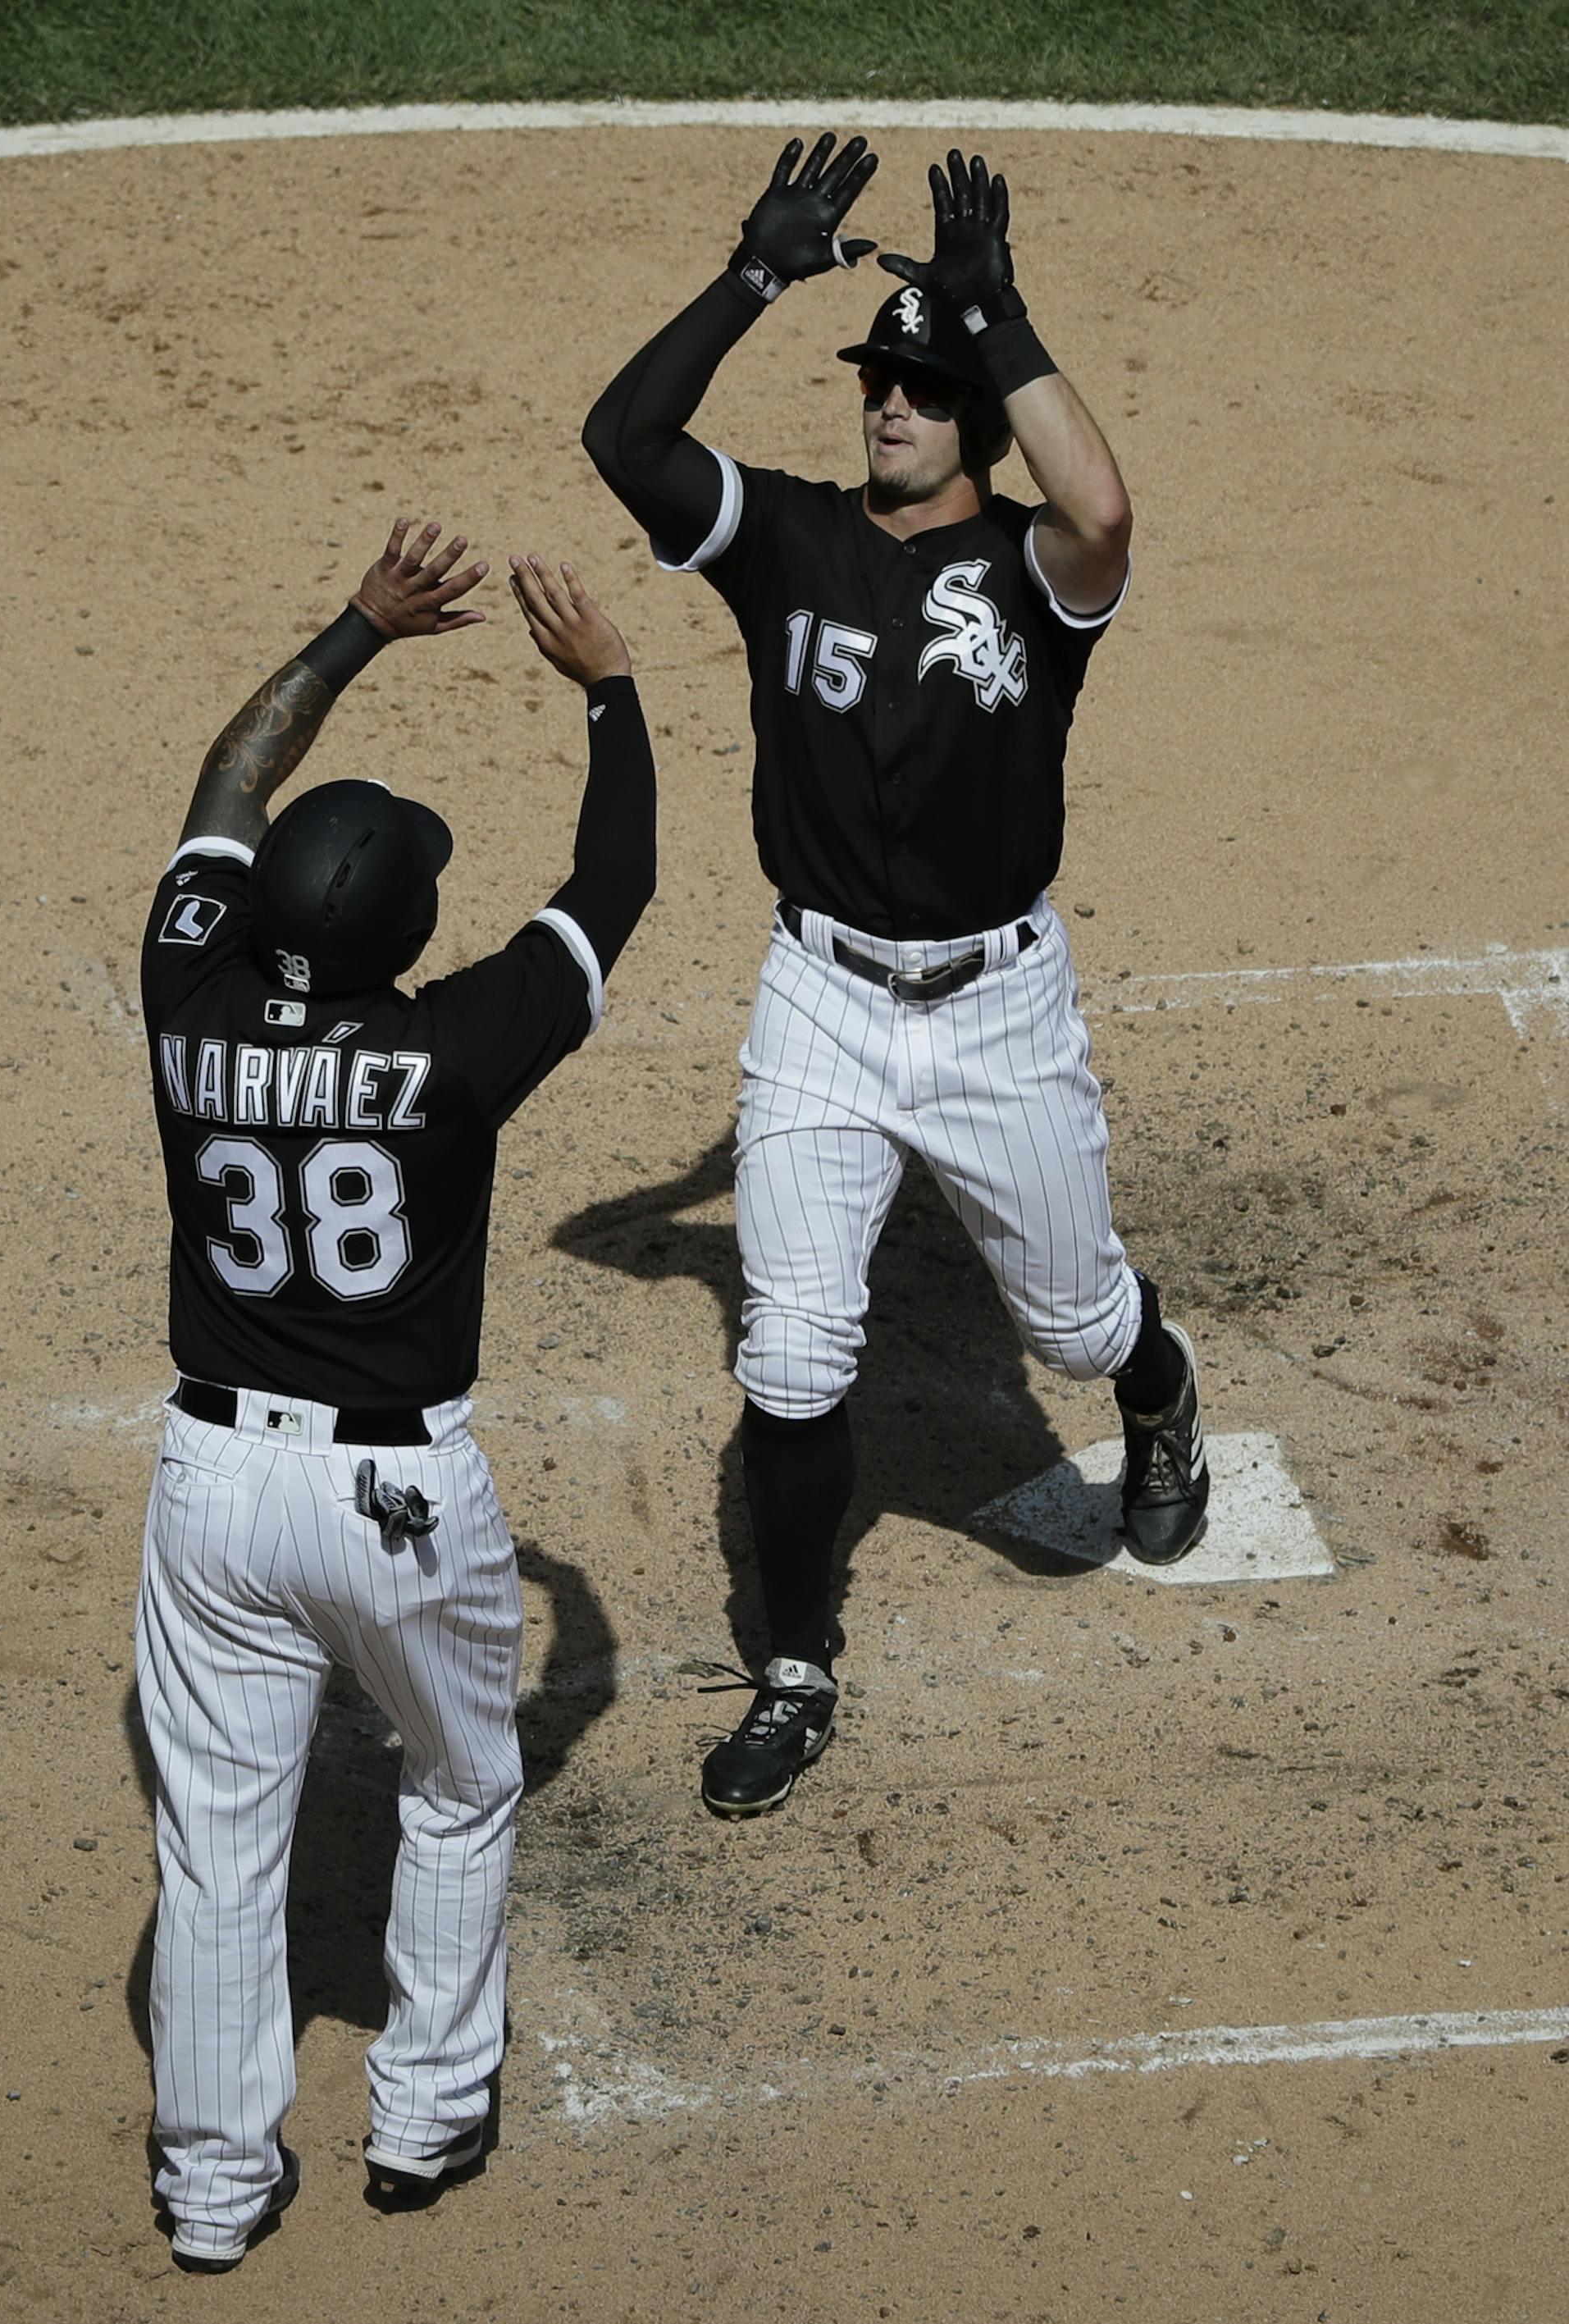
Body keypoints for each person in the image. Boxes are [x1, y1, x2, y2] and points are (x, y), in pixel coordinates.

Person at [583, 135, 1210, 1820]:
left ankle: (1162, 1390)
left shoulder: (1037, 574)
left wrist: (995, 310)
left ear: (977, 415)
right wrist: (756, 275)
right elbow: (623, 441)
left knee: (1075, 1321)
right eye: (882, 383)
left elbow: (1109, 508)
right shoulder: (784, 539)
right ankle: (798, 1668)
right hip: (824, 1008)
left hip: (1001, 1008)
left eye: (926, 391)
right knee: (791, 1360)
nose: (891, 406)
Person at [135, 518, 655, 2269]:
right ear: (414, 929)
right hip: (396, 1499)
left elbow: (229, 767)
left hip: (212, 1487)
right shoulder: (447, 1052)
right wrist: (611, 701)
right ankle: (425, 2114)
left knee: (217, 1844)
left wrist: (356, 626)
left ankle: (213, 2190)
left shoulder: (185, 983)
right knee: (457, 1778)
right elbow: (609, 898)